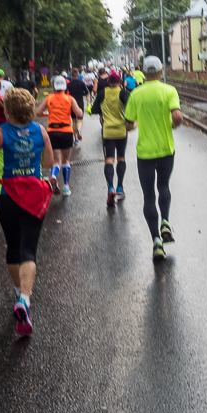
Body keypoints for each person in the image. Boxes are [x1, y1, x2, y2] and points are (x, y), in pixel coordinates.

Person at [0, 88, 55, 336]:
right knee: (29, 248)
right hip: (33, 195)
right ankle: (25, 298)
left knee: (12, 245)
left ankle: (17, 292)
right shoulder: (41, 131)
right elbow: (47, 163)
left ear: (8, 110)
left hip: (7, 196)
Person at [123, 55, 182, 262]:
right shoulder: (169, 91)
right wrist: (174, 125)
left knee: (148, 195)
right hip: (166, 149)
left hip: (144, 153)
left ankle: (157, 241)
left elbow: (128, 125)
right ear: (160, 72)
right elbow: (177, 116)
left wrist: (136, 124)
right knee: (163, 186)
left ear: (144, 73)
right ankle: (165, 221)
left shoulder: (136, 94)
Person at [35, 76, 82, 196]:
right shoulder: (69, 99)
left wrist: (48, 114)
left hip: (52, 131)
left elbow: (38, 112)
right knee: (66, 160)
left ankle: (53, 176)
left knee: (57, 160)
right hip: (66, 131)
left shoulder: (49, 98)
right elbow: (79, 113)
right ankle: (66, 187)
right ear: (64, 87)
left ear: (54, 87)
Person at [91, 70, 132, 207]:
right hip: (121, 130)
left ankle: (110, 188)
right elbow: (131, 108)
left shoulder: (102, 93)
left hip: (107, 131)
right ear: (120, 82)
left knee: (109, 159)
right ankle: (120, 187)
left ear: (108, 82)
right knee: (121, 158)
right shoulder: (124, 93)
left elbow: (95, 110)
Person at [65, 67, 89, 144]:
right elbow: (87, 92)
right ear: (78, 75)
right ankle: (79, 130)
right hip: (80, 103)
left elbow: (65, 93)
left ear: (71, 76)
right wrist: (83, 94)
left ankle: (75, 139)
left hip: (71, 103)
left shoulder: (69, 84)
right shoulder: (81, 83)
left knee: (74, 120)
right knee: (80, 119)